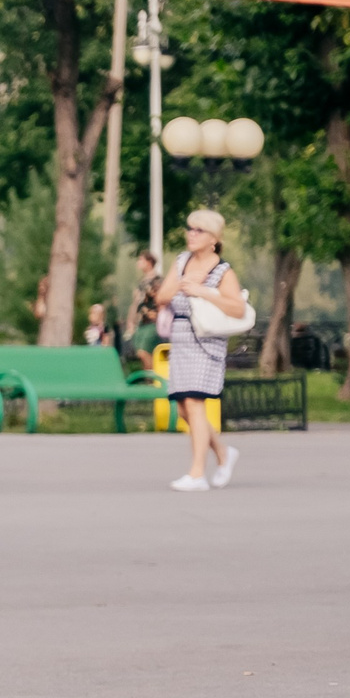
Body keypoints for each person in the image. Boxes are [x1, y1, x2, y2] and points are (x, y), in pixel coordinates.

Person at [153, 209, 247, 491]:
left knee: (195, 403)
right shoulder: (181, 262)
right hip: (181, 340)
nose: (191, 234)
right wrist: (181, 286)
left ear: (213, 239)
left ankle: (196, 474)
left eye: (199, 230)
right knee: (183, 408)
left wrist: (203, 291)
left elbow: (237, 308)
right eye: (190, 228)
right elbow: (161, 297)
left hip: (206, 342)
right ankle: (222, 453)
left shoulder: (223, 271)